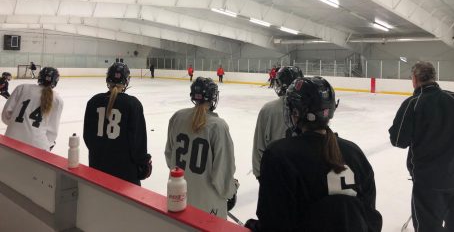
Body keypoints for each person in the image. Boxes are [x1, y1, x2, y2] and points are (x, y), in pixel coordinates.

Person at [246, 77, 383, 232]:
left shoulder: (279, 155)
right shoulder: (355, 153)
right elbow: (370, 218)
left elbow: (274, 223)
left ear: (296, 112)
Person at [389, 61, 454, 232]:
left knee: (428, 227)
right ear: (434, 77)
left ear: (414, 79)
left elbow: (398, 140)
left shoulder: (412, 104)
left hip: (428, 182)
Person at [165, 77, 238, 219]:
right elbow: (222, 174)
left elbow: (170, 157)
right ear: (213, 98)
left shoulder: (177, 117)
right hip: (208, 204)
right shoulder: (218, 126)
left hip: (178, 197)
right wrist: (231, 191)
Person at [83, 62, 152, 186]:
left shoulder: (93, 102)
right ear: (126, 81)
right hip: (126, 176)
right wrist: (144, 163)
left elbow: (88, 137)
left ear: (108, 79)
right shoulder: (133, 104)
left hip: (97, 170)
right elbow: (138, 143)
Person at [252, 66, 303, 179]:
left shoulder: (268, 109)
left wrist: (259, 175)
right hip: (304, 176)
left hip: (275, 175)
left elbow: (259, 147)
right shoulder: (309, 107)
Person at [1, 67, 63, 151]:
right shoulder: (58, 100)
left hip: (10, 139)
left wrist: (18, 125)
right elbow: (52, 133)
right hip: (38, 146)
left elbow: (6, 116)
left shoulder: (21, 88)